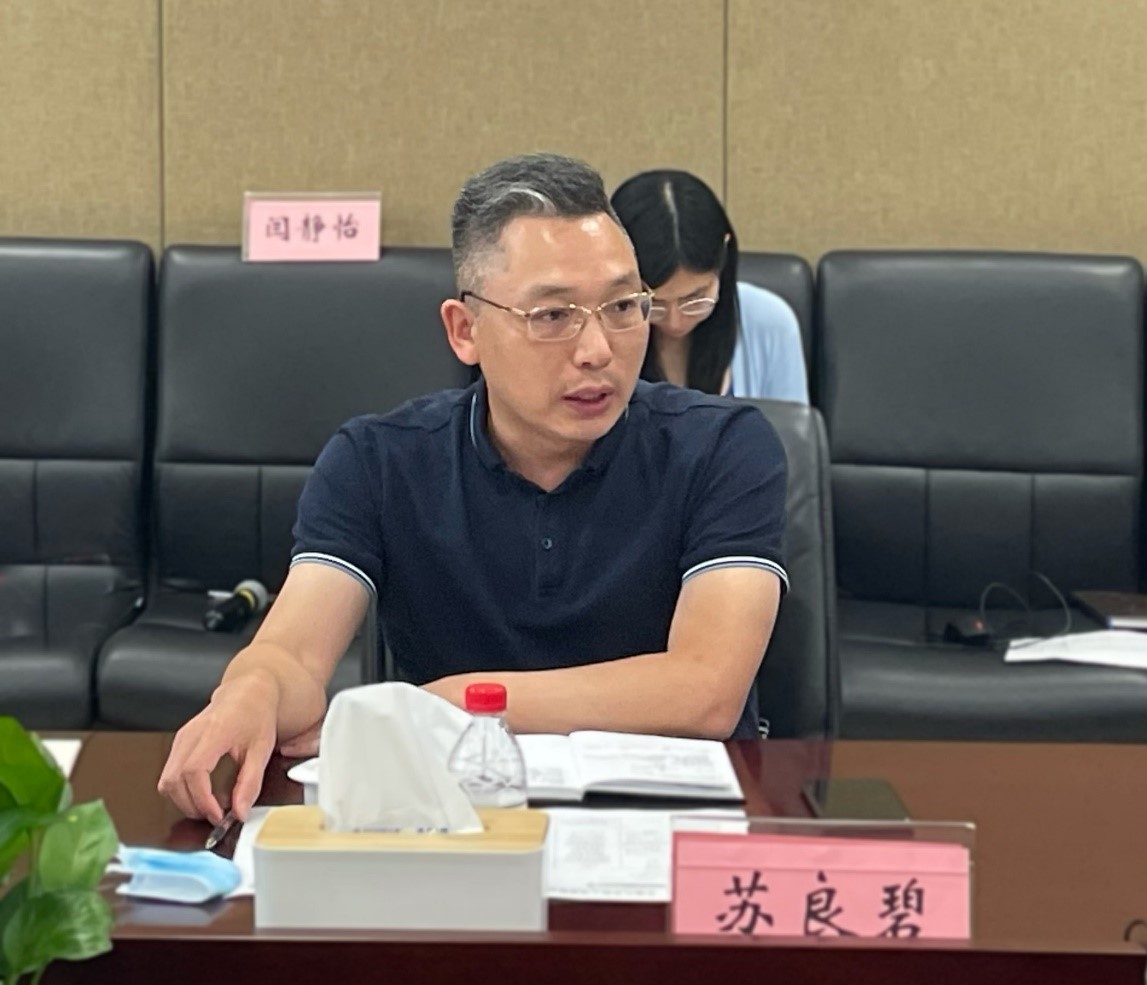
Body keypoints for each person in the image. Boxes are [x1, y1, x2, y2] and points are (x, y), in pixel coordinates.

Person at [159, 153, 789, 824]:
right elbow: (294, 653)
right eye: (553, 315)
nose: (598, 350)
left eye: (622, 307)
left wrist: (452, 701)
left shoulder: (723, 446)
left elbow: (705, 690)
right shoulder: (378, 461)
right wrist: (254, 687)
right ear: (466, 330)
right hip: (452, 825)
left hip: (673, 824)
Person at [610, 169, 808, 404]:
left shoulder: (770, 322)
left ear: (724, 255)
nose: (675, 322)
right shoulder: (596, 329)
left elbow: (788, 425)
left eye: (694, 298)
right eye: (653, 303)